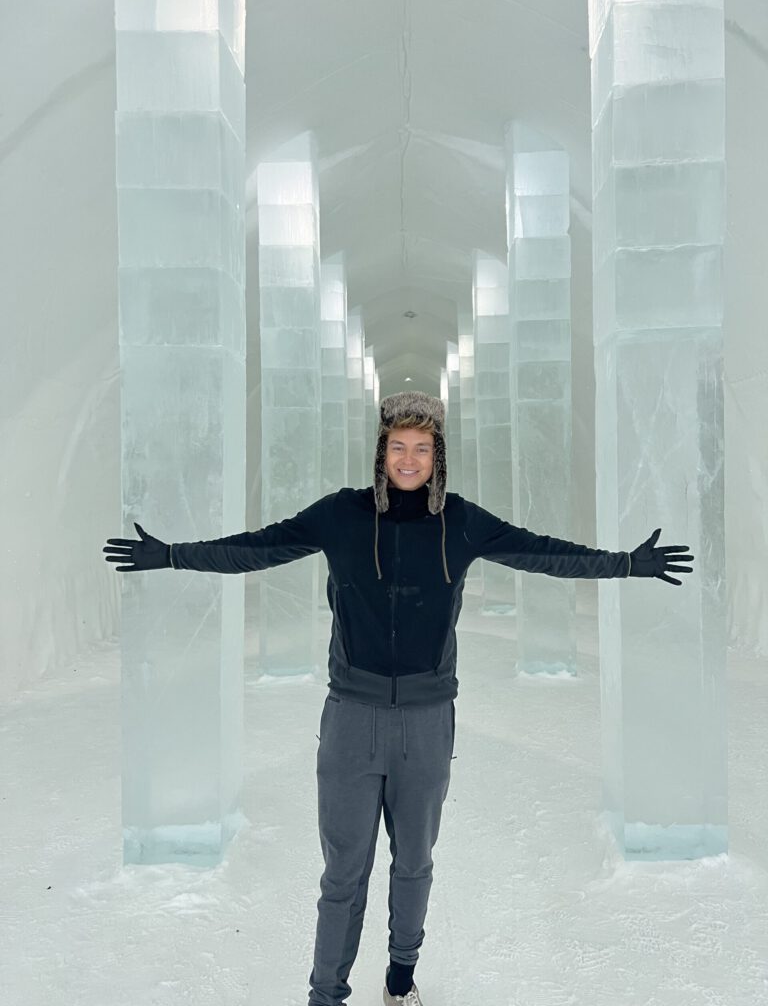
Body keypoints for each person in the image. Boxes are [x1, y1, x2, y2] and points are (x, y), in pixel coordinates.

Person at [103, 390, 694, 1006]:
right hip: (350, 721)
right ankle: (326, 995)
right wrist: (172, 556)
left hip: (427, 722)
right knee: (343, 872)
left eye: (422, 448)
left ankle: (400, 978)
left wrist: (626, 564)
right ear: (380, 452)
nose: (408, 460)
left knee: (413, 862)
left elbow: (542, 551)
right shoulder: (341, 514)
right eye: (397, 447)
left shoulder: (461, 522)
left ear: (438, 456)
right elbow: (258, 547)